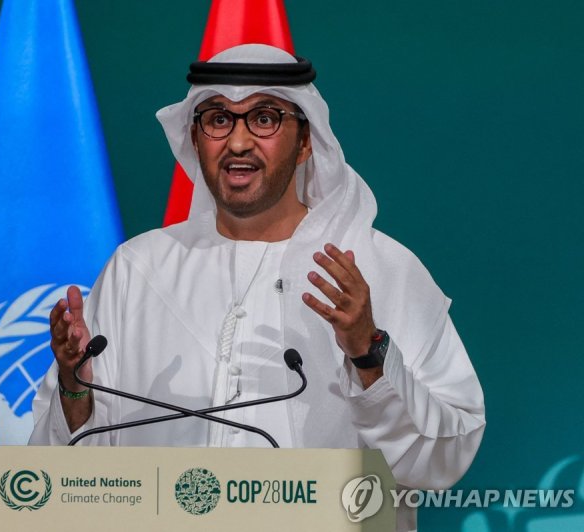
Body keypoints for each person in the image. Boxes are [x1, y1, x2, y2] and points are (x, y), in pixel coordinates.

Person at [30, 44, 485, 530]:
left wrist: (369, 354)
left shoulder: (378, 268)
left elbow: (445, 457)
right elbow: (75, 476)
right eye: (218, 120)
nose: (239, 142)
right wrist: (75, 388)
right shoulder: (138, 268)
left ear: (305, 142)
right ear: (196, 139)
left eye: (264, 119)